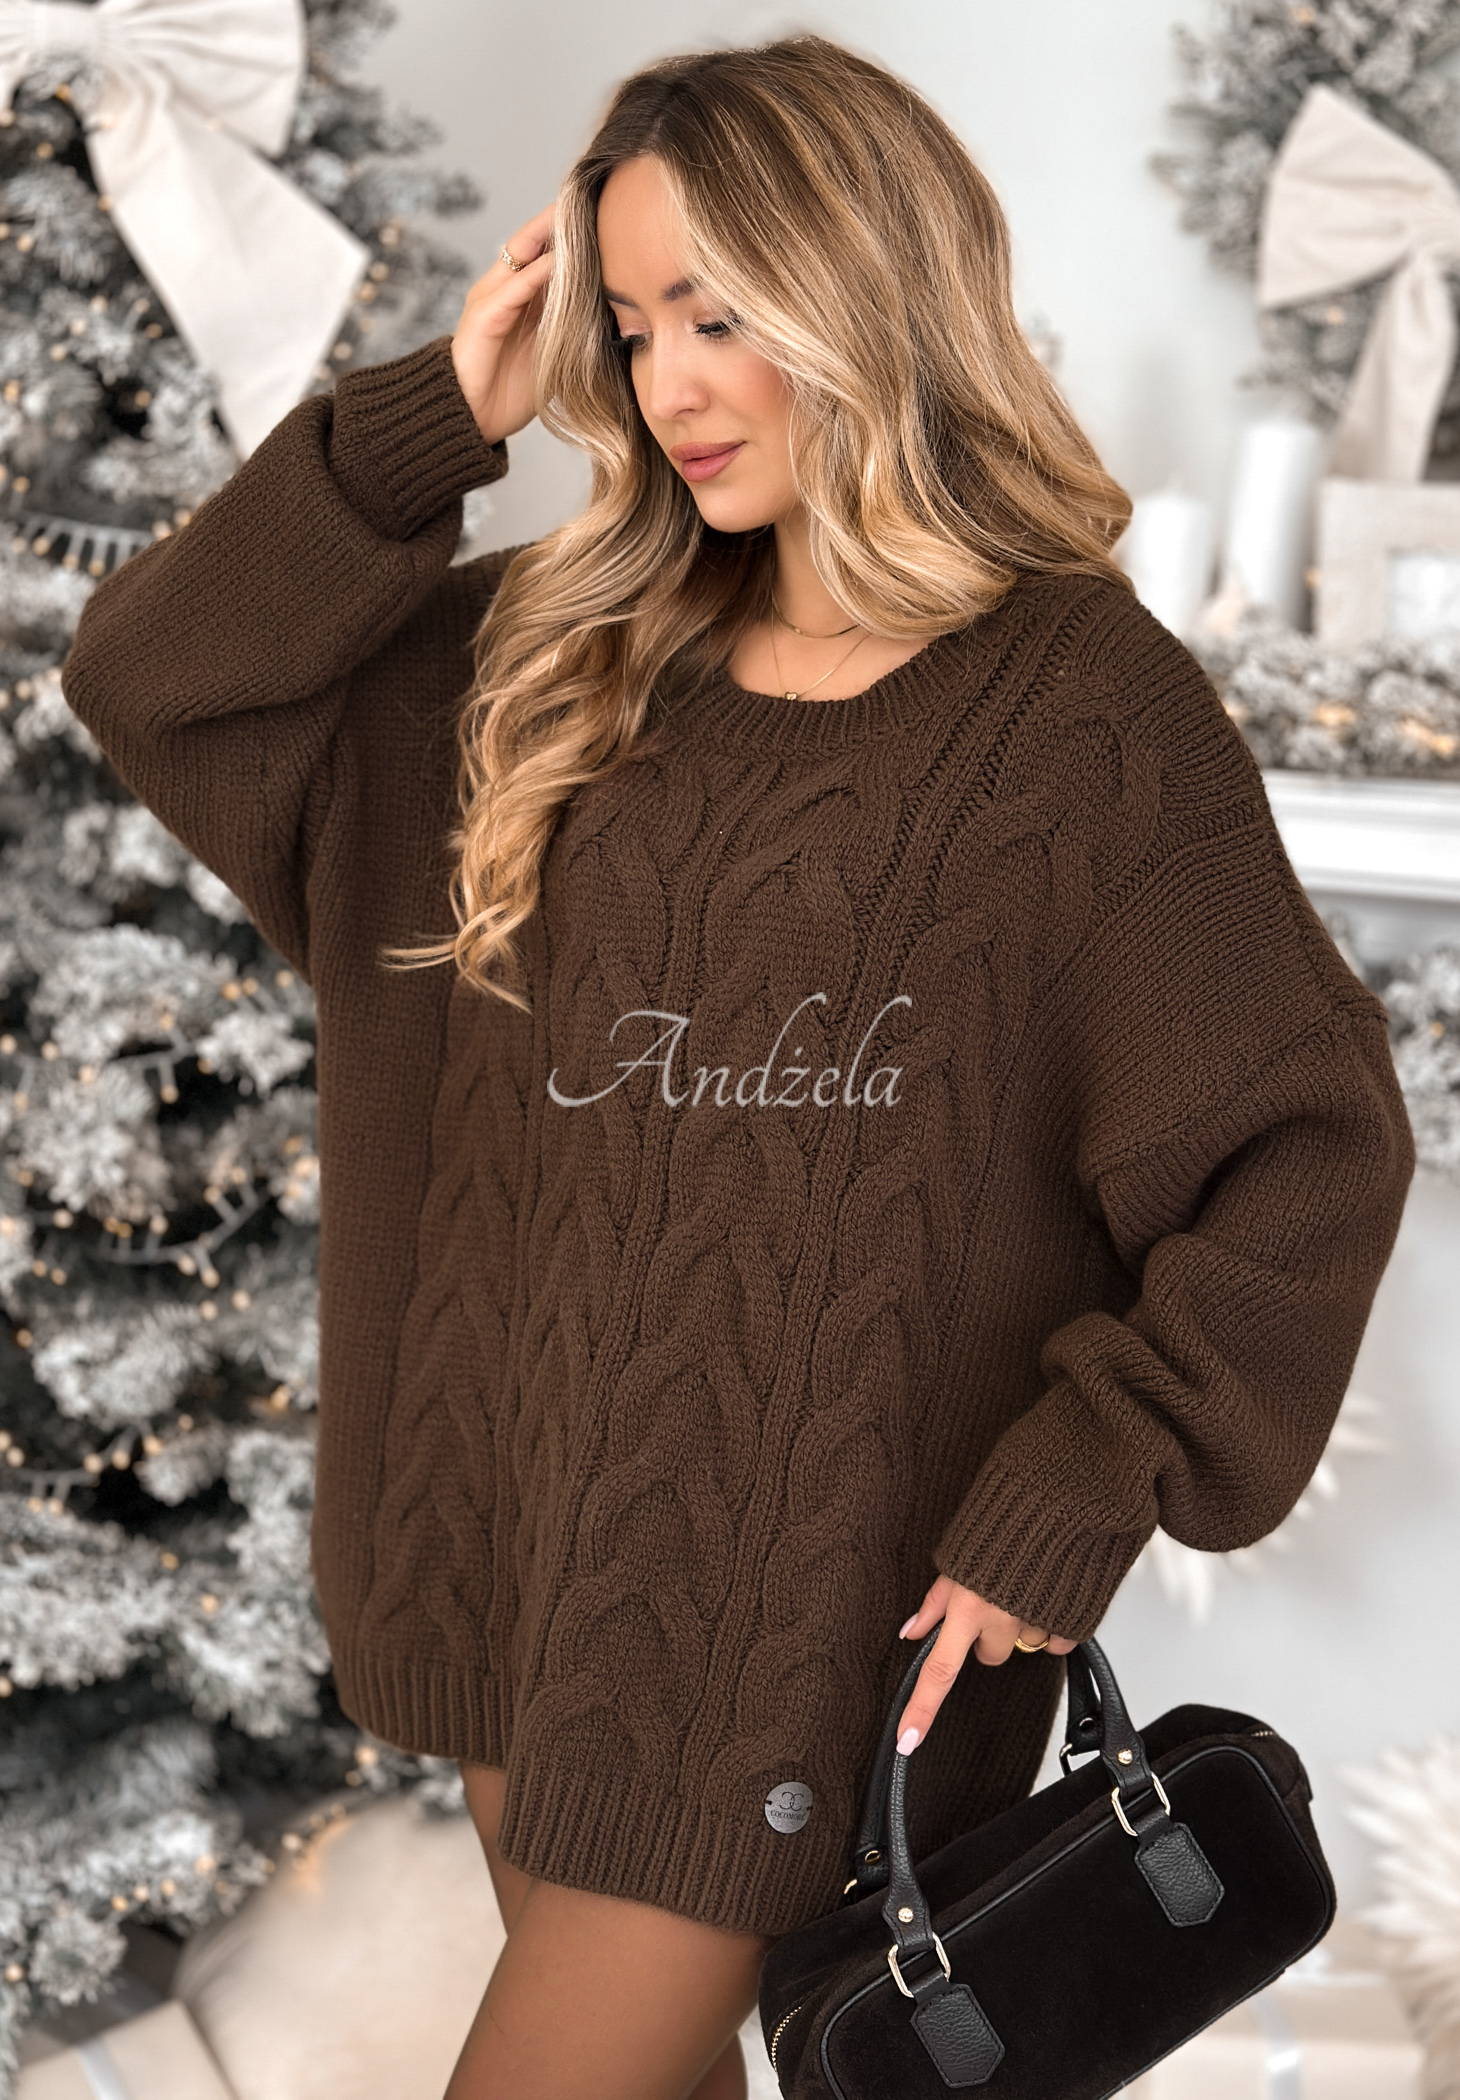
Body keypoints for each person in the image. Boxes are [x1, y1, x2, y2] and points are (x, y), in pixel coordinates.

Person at [61, 34, 1414, 2100]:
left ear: (863, 293)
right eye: (625, 326)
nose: (666, 383)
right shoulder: (554, 655)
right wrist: (441, 415)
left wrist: (1085, 1477)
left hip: (797, 1629)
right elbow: (155, 679)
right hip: (519, 1562)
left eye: (716, 315)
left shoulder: (1079, 718)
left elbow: (1309, 1149)